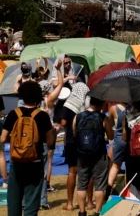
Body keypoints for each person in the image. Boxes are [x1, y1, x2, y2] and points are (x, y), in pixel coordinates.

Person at [0, 80, 56, 215]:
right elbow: (50, 142)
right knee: (31, 203)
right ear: (38, 96)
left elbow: (2, 138)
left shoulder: (14, 114)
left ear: (22, 96)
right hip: (35, 162)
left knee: (14, 200)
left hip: (17, 161)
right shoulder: (42, 115)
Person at [74, 96, 113, 216]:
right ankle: (97, 212)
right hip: (99, 155)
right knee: (100, 185)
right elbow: (110, 136)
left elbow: (75, 133)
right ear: (101, 105)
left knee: (81, 185)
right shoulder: (103, 117)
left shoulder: (78, 116)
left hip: (82, 155)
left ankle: (81, 212)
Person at [61, 82, 89, 211]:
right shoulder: (87, 104)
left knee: (72, 172)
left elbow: (63, 122)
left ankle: (70, 203)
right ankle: (89, 202)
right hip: (86, 141)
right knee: (88, 171)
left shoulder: (68, 104)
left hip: (71, 141)